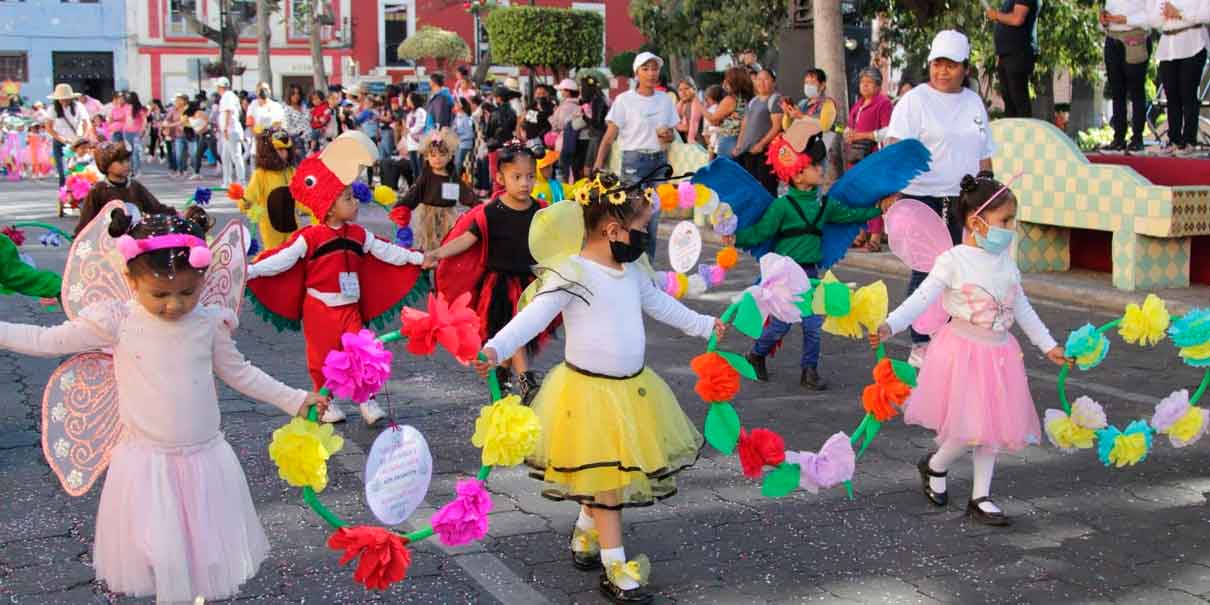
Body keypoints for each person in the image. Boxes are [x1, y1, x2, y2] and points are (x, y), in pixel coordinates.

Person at [0, 204, 329, 602]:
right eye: (160, 294)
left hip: (204, 460)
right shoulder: (116, 320)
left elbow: (241, 373)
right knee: (161, 553)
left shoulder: (208, 321)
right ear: (131, 280)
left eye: (187, 292)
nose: (174, 304)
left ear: (202, 279)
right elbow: (47, 341)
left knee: (201, 556)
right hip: (147, 463)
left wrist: (294, 399)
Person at [473, 172, 724, 605]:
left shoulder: (629, 271)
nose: (644, 237)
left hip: (633, 392)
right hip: (586, 395)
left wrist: (705, 325)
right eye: (641, 228)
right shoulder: (573, 274)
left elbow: (660, 304)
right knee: (609, 481)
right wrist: (496, 348)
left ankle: (585, 534)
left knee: (606, 471)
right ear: (612, 230)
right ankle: (615, 565)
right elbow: (534, 316)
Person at [871, 174, 1069, 526]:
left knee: (989, 426)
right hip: (962, 353)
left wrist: (1048, 345)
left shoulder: (1007, 264)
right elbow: (922, 298)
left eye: (1012, 220)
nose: (1010, 228)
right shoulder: (954, 260)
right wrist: (891, 324)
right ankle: (935, 465)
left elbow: (1022, 308)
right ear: (976, 222)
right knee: (968, 428)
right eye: (1004, 221)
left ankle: (981, 496)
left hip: (999, 354)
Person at [247, 132, 428, 426]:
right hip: (319, 308)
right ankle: (324, 403)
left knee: (360, 352)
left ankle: (366, 399)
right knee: (321, 360)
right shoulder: (311, 236)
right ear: (329, 206)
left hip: (349, 307)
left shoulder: (358, 234)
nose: (355, 202)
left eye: (353, 196)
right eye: (347, 198)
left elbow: (386, 251)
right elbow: (283, 259)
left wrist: (419, 258)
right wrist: (252, 270)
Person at [726, 120, 887, 391]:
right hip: (784, 275)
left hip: (810, 274)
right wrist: (737, 238)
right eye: (814, 165)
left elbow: (853, 215)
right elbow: (761, 232)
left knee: (813, 324)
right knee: (780, 326)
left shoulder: (825, 205)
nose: (821, 168)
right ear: (798, 175)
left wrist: (879, 208)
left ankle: (809, 371)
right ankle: (756, 355)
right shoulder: (781, 206)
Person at [886, 29, 996, 367]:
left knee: (959, 269)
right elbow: (895, 148)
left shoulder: (973, 102)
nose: (942, 71)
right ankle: (921, 341)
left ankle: (947, 336)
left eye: (951, 65)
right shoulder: (915, 100)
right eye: (937, 64)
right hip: (922, 199)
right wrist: (890, 191)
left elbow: (984, 152)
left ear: (964, 68)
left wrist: (988, 191)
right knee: (928, 269)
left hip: (962, 199)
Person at [426, 142, 556, 402]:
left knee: (515, 330)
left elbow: (555, 240)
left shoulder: (541, 211)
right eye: (516, 177)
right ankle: (525, 380)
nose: (524, 183)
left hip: (529, 283)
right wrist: (437, 253)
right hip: (498, 286)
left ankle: (504, 374)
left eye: (530, 176)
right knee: (511, 327)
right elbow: (467, 239)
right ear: (500, 178)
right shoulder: (490, 213)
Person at [594, 51, 679, 260]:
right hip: (633, 162)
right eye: (646, 69)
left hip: (658, 162)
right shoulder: (624, 100)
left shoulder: (665, 101)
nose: (651, 73)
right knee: (631, 216)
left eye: (655, 68)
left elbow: (672, 136)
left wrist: (668, 135)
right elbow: (609, 137)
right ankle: (629, 263)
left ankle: (648, 266)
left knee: (653, 218)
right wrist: (597, 163)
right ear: (636, 73)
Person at [395, 129, 477, 251]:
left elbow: (465, 193)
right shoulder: (426, 176)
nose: (437, 158)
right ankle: (427, 264)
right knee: (427, 244)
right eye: (433, 155)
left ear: (449, 156)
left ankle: (443, 265)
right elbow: (415, 193)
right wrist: (401, 206)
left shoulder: (452, 176)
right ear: (427, 157)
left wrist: (478, 205)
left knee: (447, 243)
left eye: (442, 154)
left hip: (448, 215)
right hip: (428, 214)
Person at [75, 142, 174, 235]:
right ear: (106, 165)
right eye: (120, 162)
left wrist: (175, 214)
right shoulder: (98, 190)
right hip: (108, 244)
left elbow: (155, 208)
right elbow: (86, 221)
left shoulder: (135, 186)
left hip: (136, 240)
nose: (126, 164)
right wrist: (79, 239)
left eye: (127, 160)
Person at [1150, 0, 1210, 153]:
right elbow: (1153, 19)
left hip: (1193, 43)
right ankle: (1174, 140)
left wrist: (1180, 14)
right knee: (1172, 95)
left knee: (1188, 93)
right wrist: (1165, 15)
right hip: (1168, 46)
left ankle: (1189, 140)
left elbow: (1206, 14)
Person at [845, 68, 894, 252]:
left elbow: (887, 131)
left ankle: (875, 237)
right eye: (862, 82)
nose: (864, 85)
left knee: (873, 197)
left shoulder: (883, 103)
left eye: (869, 82)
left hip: (873, 156)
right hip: (856, 157)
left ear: (878, 85)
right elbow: (850, 128)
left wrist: (862, 135)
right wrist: (849, 135)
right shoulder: (857, 105)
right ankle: (860, 234)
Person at [241, 129, 308, 250]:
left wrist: (315, 207)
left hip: (292, 224)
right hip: (270, 227)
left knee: (295, 255)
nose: (284, 154)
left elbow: (301, 197)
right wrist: (247, 204)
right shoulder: (260, 174)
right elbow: (249, 196)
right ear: (269, 151)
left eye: (286, 150)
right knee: (274, 255)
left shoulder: (291, 171)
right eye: (280, 150)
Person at [1100, 2, 1151, 152]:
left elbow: (1151, 17)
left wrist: (1126, 19)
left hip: (1134, 37)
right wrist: (1104, 20)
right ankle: (1118, 138)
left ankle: (1137, 138)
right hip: (1112, 38)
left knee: (1136, 91)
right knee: (1116, 91)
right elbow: (1108, 14)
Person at [732, 68, 783, 195]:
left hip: (766, 151)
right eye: (759, 79)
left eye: (766, 79)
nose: (762, 82)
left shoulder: (775, 100)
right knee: (751, 186)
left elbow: (777, 127)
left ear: (773, 82)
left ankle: (772, 213)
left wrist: (761, 144)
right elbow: (745, 124)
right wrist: (739, 144)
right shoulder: (753, 101)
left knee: (768, 186)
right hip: (748, 150)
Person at [987, 0, 1040, 118]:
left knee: (1019, 100)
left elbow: (1017, 19)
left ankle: (1024, 133)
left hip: (1018, 53)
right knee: (1009, 100)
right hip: (1007, 54)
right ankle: (1012, 134)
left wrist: (996, 15)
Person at [46, 84, 92, 187]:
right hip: (60, 143)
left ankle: (77, 195)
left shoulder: (78, 106)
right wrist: (61, 139)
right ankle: (63, 197)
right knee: (63, 173)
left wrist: (83, 138)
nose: (64, 101)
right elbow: (49, 127)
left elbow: (87, 123)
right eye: (61, 99)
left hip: (77, 143)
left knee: (77, 171)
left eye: (66, 99)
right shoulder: (53, 108)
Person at [704, 67, 752, 160]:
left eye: (727, 79)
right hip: (742, 141)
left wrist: (699, 106)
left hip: (728, 140)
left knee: (725, 172)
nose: (725, 81)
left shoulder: (730, 99)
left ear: (734, 82)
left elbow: (713, 120)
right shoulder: (748, 98)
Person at [484, 85, 520, 191]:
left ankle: (497, 199)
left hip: (495, 147)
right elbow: (513, 128)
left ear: (499, 98)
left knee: (496, 176)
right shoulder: (513, 112)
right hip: (509, 146)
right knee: (508, 175)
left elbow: (488, 132)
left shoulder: (494, 113)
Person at [550, 78, 585, 182]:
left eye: (562, 90)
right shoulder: (579, 105)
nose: (560, 93)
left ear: (568, 92)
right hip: (575, 142)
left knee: (562, 171)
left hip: (563, 142)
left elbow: (557, 124)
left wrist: (553, 115)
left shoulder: (565, 106)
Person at [215, 77, 246, 187]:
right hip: (229, 131)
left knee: (236, 156)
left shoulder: (227, 96)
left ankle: (241, 181)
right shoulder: (230, 96)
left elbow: (228, 112)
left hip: (230, 131)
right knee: (226, 157)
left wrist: (225, 128)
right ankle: (227, 181)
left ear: (220, 87)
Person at [579, 73, 609, 178]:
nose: (580, 89)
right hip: (595, 134)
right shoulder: (598, 98)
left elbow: (596, 122)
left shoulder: (598, 100)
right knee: (588, 167)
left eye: (582, 87)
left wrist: (584, 116)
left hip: (597, 135)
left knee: (593, 167)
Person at [401, 92, 428, 182]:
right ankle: (416, 186)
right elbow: (408, 127)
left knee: (420, 168)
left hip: (418, 144)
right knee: (414, 168)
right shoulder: (410, 113)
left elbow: (421, 125)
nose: (407, 100)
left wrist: (410, 130)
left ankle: (421, 186)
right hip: (411, 144)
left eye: (408, 98)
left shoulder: (421, 111)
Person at [120, 92, 149, 178]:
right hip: (126, 132)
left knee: (135, 152)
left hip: (136, 132)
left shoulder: (139, 108)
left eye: (128, 97)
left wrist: (142, 130)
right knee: (129, 152)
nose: (126, 99)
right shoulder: (126, 107)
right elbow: (124, 118)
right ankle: (131, 170)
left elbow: (144, 120)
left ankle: (137, 170)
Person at [674, 78, 705, 145]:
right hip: (687, 142)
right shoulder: (683, 104)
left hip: (698, 143)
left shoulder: (696, 103)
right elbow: (671, 120)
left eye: (686, 88)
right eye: (680, 90)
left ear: (694, 89)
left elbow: (693, 126)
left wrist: (677, 126)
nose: (683, 92)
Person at [452, 97, 476, 181]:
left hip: (464, 145)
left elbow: (470, 134)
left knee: (458, 165)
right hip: (458, 145)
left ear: (461, 106)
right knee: (456, 165)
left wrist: (459, 138)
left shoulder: (466, 118)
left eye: (456, 103)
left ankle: (456, 183)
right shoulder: (456, 118)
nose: (454, 105)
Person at [283, 85, 310, 154]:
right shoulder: (287, 109)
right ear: (289, 95)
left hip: (311, 143)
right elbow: (287, 128)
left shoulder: (304, 107)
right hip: (298, 143)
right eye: (293, 93)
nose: (296, 95)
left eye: (298, 93)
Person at [702, 84, 725, 156]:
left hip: (714, 147)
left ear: (710, 98)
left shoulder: (709, 112)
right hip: (726, 145)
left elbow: (706, 134)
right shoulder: (726, 109)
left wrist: (710, 146)